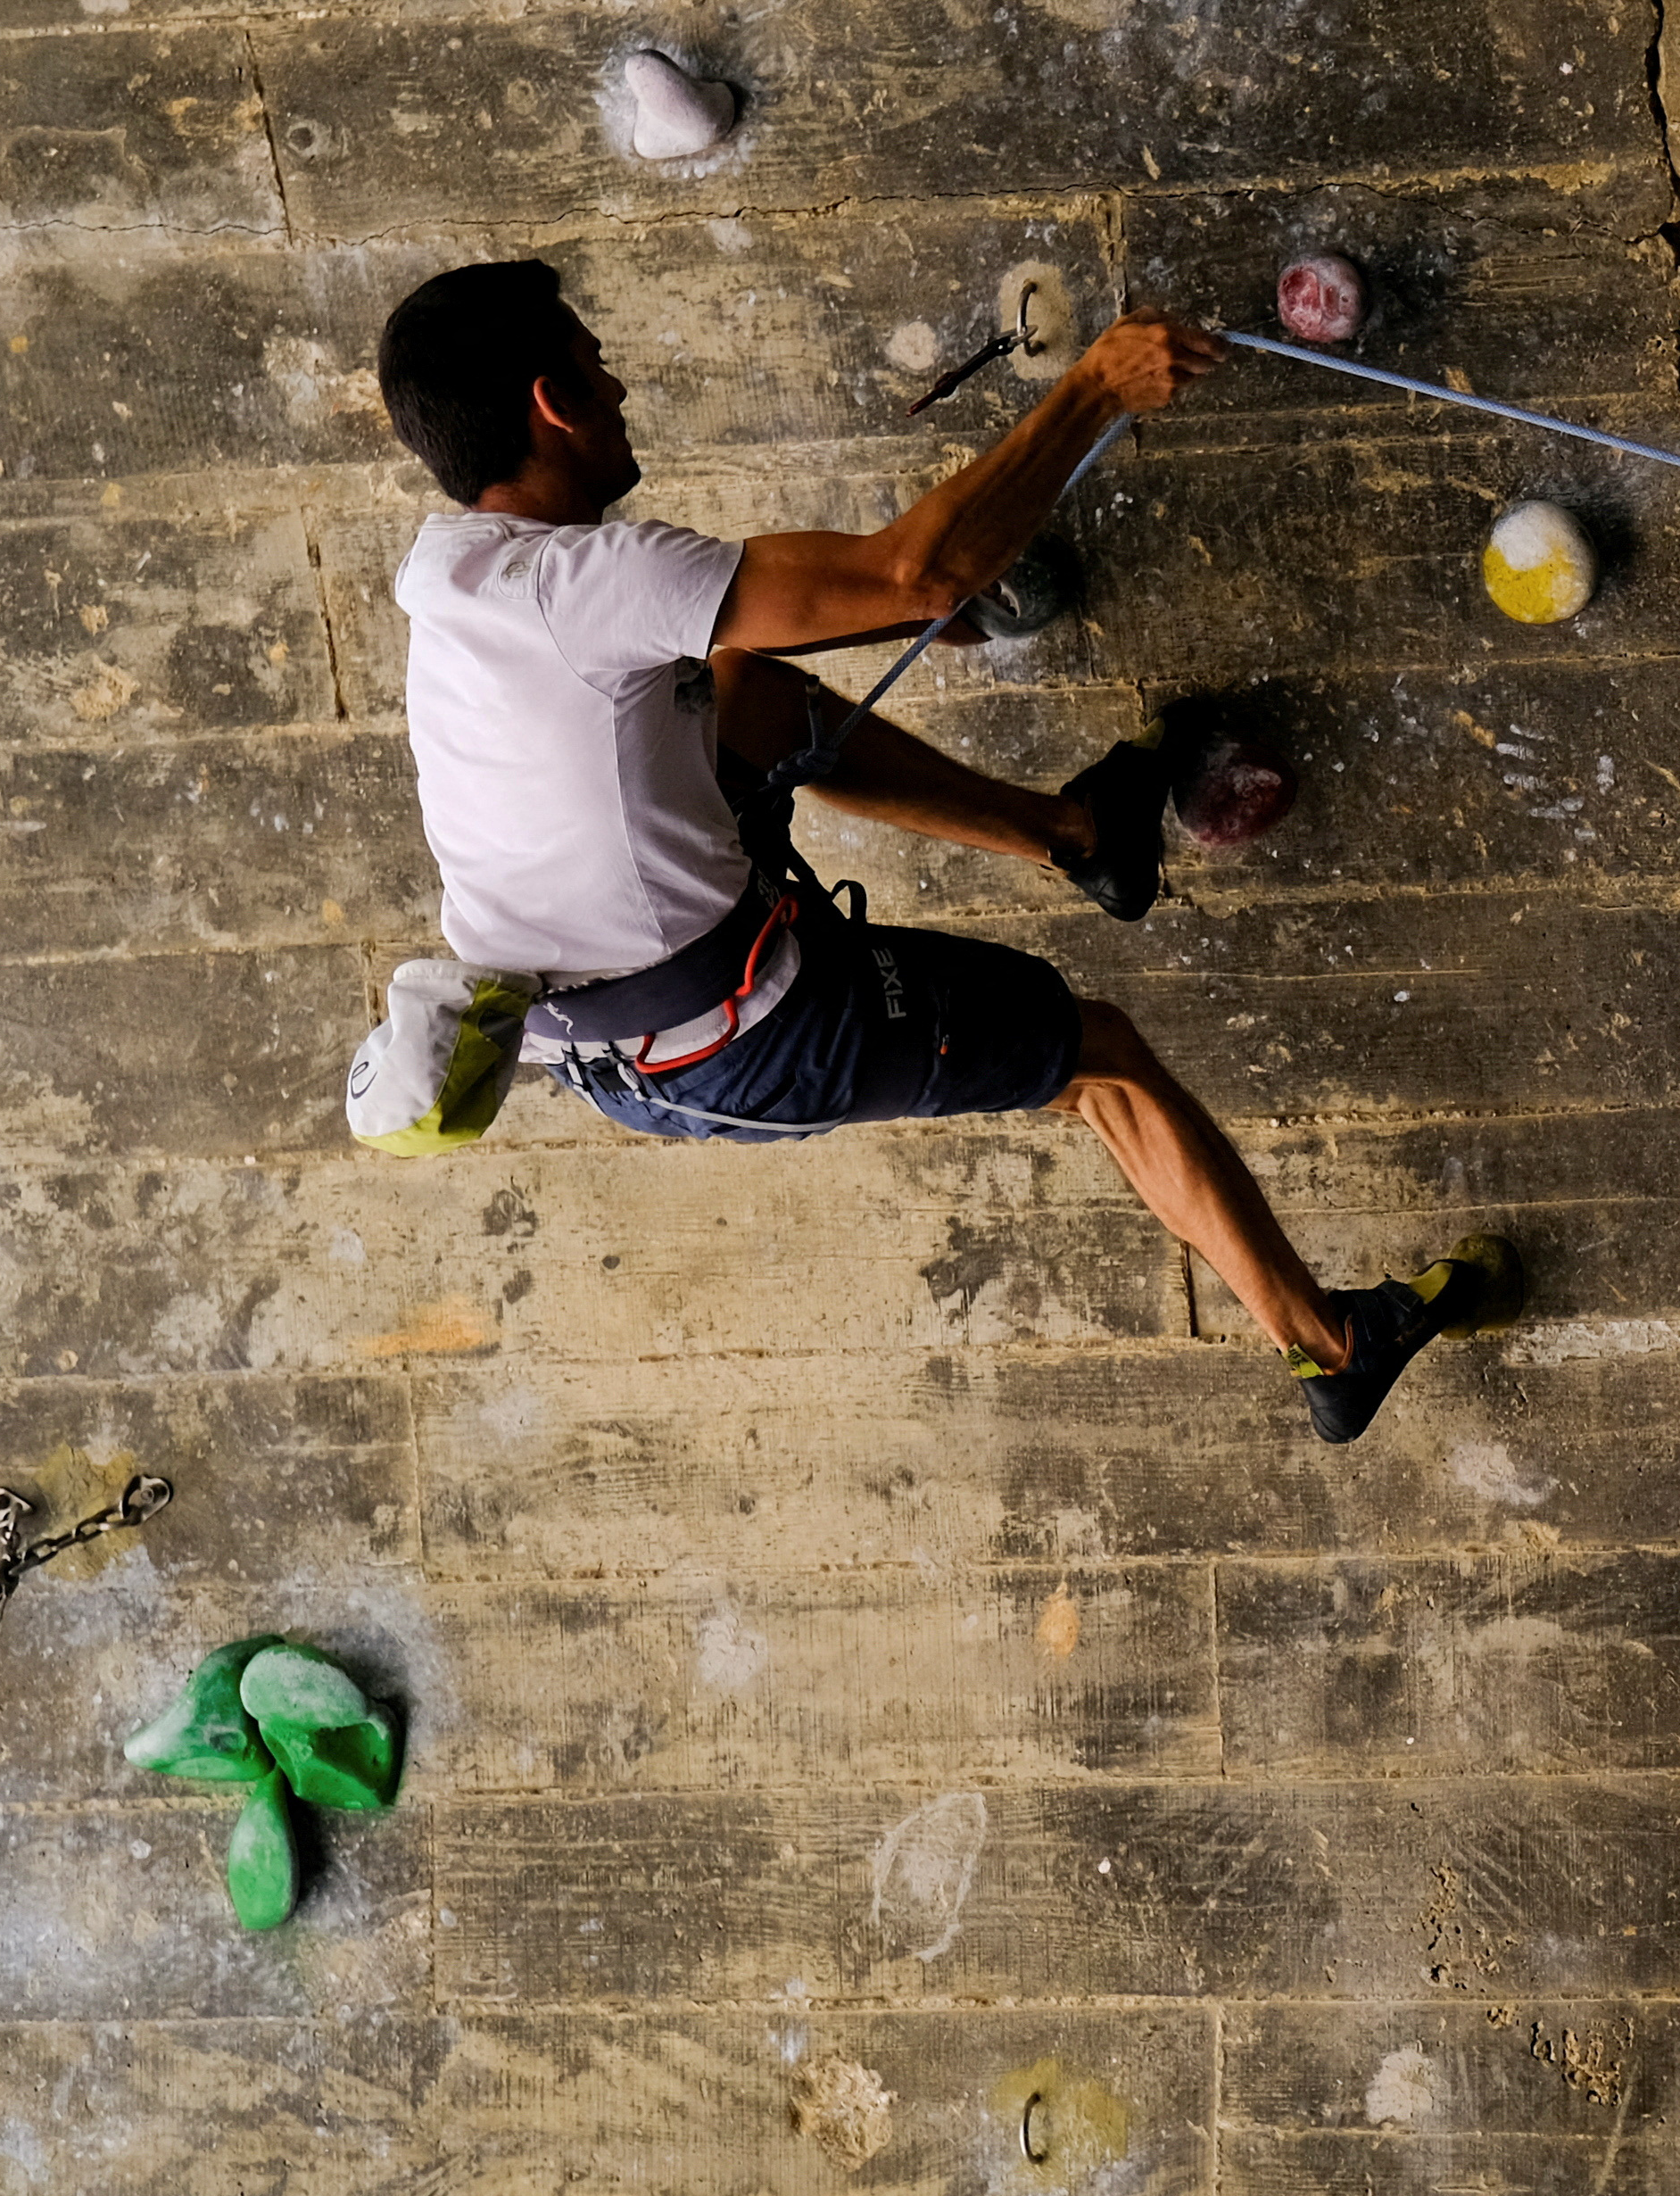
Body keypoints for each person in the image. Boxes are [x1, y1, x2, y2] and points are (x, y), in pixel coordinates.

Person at [367, 259, 1512, 1441]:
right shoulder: (588, 580)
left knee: (741, 690)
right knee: (1097, 1056)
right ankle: (1326, 1350)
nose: (618, 382)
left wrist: (897, 589)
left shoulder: (451, 573)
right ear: (553, 402)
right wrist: (1096, 391)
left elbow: (839, 606)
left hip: (613, 1011)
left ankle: (1079, 836)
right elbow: (916, 575)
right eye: (593, 363)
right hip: (739, 1035)